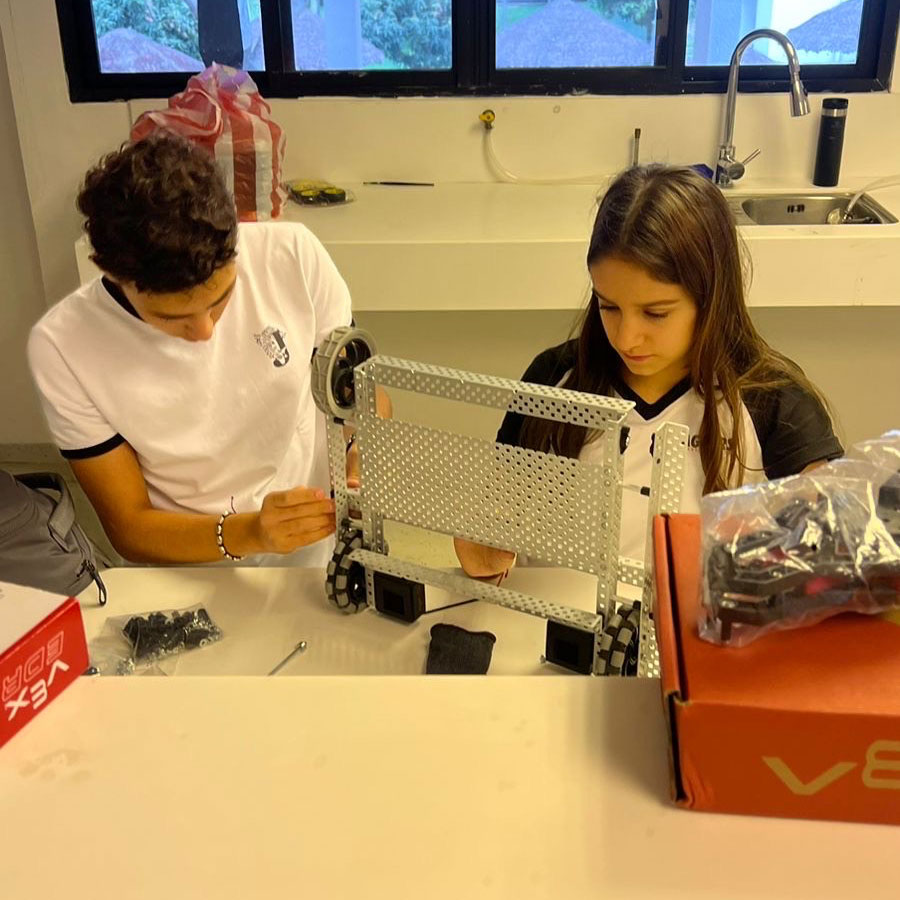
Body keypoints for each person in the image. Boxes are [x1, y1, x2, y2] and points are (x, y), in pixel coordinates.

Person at [455, 164, 843, 578]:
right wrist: (486, 542)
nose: (626, 338)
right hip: (553, 616)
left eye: (655, 313)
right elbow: (485, 556)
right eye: (608, 306)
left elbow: (832, 557)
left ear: (711, 298)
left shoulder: (773, 402)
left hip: (704, 619)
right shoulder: (554, 379)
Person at [28, 132, 356, 567]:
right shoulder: (63, 346)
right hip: (187, 563)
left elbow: (362, 398)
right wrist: (250, 532)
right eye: (171, 318)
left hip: (309, 553)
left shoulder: (293, 256)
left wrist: (360, 456)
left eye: (221, 299)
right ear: (109, 272)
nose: (204, 332)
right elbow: (130, 527)